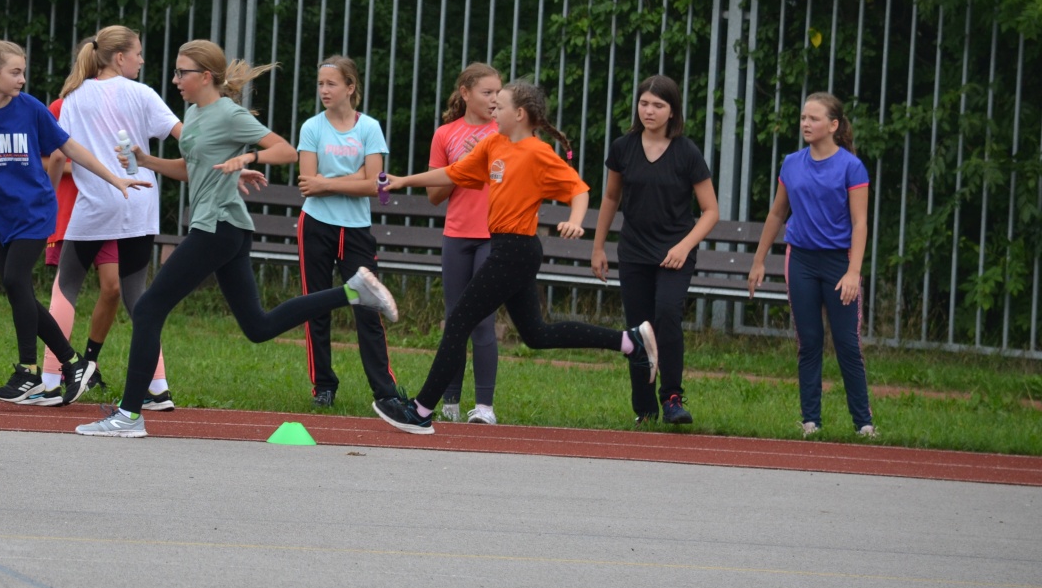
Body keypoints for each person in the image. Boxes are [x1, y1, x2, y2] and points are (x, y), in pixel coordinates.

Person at [76, 39, 399, 437]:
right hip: (225, 227)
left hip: (218, 227)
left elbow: (285, 151)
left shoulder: (229, 114)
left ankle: (129, 415)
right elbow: (192, 168)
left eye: (181, 72)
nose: (175, 79)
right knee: (258, 327)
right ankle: (352, 292)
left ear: (204, 77)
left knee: (147, 309)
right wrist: (146, 161)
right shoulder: (194, 113)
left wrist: (248, 157)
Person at [369, 79, 658, 435]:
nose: (494, 108)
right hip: (507, 248)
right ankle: (629, 342)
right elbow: (455, 172)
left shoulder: (538, 153)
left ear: (519, 114)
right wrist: (403, 180)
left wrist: (575, 220)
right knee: (536, 334)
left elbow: (578, 190)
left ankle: (420, 410)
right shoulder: (494, 143)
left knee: (458, 321)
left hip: (516, 251)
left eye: (500, 105)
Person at [0, 39, 151, 406]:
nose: (22, 79)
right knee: (17, 290)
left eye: (23, 72)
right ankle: (72, 364)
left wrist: (114, 178)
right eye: (15, 72)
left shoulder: (31, 108)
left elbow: (69, 149)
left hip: (35, 210)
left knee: (15, 281)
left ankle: (29, 372)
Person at [44, 26, 180, 407]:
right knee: (137, 295)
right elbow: (183, 134)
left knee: (66, 286)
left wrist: (49, 198)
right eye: (137, 53)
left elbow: (58, 155)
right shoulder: (143, 94)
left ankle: (50, 379)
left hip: (95, 204)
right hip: (140, 201)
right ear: (120, 57)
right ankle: (158, 387)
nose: (141, 60)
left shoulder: (73, 97)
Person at [590, 75, 719, 425]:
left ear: (672, 111)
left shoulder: (686, 152)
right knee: (639, 328)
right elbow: (611, 198)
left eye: (658, 105)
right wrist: (598, 247)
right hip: (634, 251)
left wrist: (684, 246)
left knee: (667, 314)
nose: (649, 111)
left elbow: (711, 211)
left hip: (675, 252)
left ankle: (672, 398)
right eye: (644, 103)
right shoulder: (623, 147)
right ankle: (644, 408)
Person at [749, 92, 875, 438]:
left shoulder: (851, 166)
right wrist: (759, 260)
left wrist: (853, 272)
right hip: (801, 260)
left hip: (839, 263)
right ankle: (810, 422)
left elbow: (860, 223)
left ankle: (864, 424)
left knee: (847, 344)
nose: (805, 123)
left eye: (814, 118)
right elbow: (777, 214)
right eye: (804, 117)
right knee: (809, 342)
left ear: (833, 125)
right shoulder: (791, 163)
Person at [295, 56, 401, 410]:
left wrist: (328, 183)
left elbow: (375, 186)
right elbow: (308, 185)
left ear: (350, 87)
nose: (324, 90)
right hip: (316, 225)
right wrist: (354, 178)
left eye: (332, 84)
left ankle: (385, 391)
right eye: (320, 84)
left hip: (356, 231)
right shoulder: (312, 127)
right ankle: (323, 386)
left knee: (367, 308)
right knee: (316, 307)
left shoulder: (369, 128)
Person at [426, 63, 503, 423]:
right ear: (465, 93)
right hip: (456, 237)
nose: (495, 99)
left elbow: (513, 184)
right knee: (455, 320)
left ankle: (484, 407)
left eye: (498, 92)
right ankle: (450, 402)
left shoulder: (505, 132)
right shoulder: (445, 135)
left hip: (493, 236)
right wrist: (463, 165)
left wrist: (483, 162)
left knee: (483, 321)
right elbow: (434, 195)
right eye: (487, 92)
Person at [42, 93, 119, 395]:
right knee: (65, 289)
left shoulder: (118, 105)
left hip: (106, 211)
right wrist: (87, 166)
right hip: (71, 212)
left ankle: (89, 362)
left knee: (113, 288)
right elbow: (46, 158)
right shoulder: (60, 107)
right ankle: (55, 371)